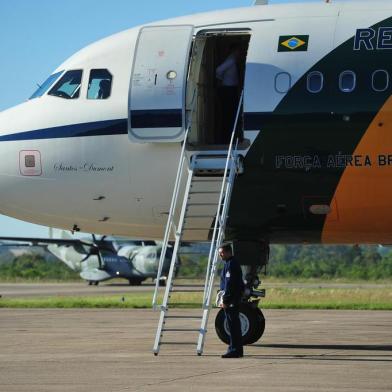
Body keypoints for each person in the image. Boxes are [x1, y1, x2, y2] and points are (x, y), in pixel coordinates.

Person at [218, 243, 244, 358]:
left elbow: (229, 285)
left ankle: (234, 350)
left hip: (231, 300)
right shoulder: (230, 263)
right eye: (219, 253)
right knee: (234, 326)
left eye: (222, 253)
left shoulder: (231, 265)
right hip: (234, 299)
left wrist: (225, 300)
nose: (220, 255)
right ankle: (236, 350)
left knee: (233, 326)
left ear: (229, 252)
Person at [215, 44, 241, 144]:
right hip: (228, 90)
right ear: (234, 50)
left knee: (230, 114)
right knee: (228, 115)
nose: (240, 53)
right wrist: (221, 80)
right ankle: (227, 138)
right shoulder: (231, 60)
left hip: (231, 89)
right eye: (238, 51)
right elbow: (218, 70)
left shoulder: (232, 59)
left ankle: (229, 137)